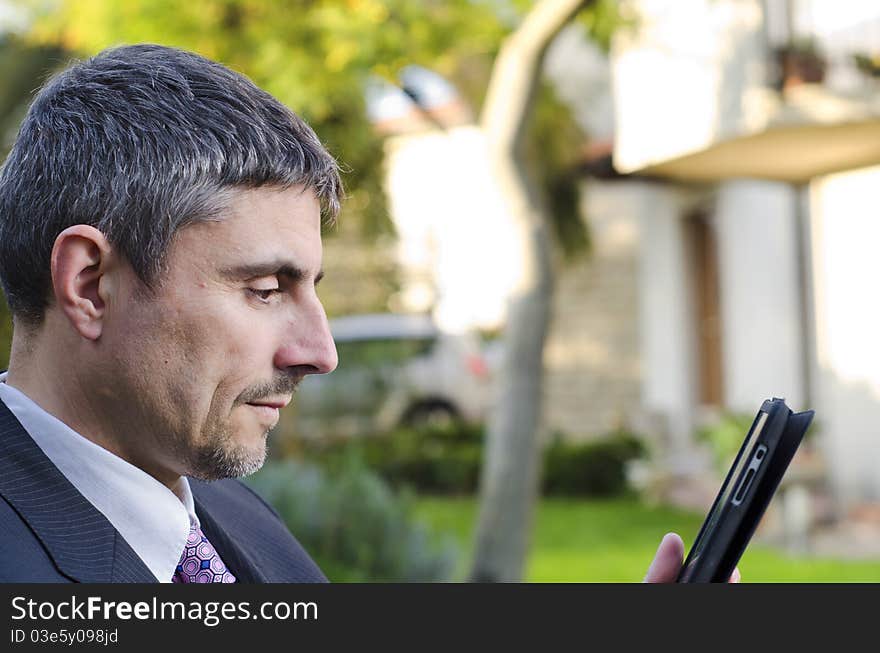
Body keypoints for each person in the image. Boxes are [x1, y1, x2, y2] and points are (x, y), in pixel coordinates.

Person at [0, 44, 726, 584]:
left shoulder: (235, 522)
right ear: (91, 284)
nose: (320, 350)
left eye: (311, 286)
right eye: (265, 290)